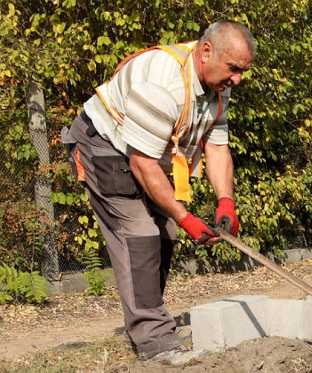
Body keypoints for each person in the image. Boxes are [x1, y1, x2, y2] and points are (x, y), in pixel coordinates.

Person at [61, 21, 256, 366]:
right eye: (234, 69)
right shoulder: (162, 84)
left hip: (142, 154)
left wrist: (226, 201)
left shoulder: (218, 88)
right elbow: (144, 165)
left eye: (243, 71)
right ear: (207, 51)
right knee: (139, 235)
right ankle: (156, 342)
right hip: (103, 145)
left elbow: (217, 149)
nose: (238, 79)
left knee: (164, 236)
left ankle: (148, 318)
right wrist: (185, 217)